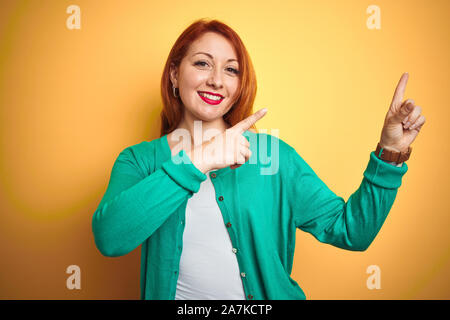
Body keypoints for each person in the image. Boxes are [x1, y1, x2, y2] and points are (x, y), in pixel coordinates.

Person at [92, 18, 426, 300]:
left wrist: (390, 152)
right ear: (174, 75)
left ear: (239, 85)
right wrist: (198, 161)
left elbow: (352, 232)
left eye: (231, 70)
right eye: (202, 63)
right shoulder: (139, 160)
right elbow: (110, 238)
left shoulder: (272, 156)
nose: (216, 80)